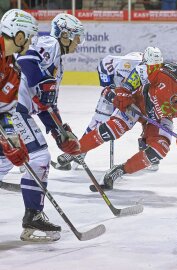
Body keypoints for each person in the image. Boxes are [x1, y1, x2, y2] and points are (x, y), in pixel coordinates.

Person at [76, 53, 177, 190]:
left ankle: (118, 171)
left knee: (160, 149)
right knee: (114, 128)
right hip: (137, 102)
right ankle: (75, 150)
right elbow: (141, 71)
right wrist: (125, 90)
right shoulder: (168, 71)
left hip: (161, 117)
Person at [10, 13, 84, 242]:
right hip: (14, 108)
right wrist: (43, 82)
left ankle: (33, 214)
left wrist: (59, 131)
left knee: (4, 163)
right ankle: (33, 214)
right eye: (76, 37)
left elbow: (47, 105)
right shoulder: (49, 43)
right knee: (40, 155)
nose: (78, 43)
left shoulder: (58, 62)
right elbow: (25, 61)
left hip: (16, 109)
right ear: (64, 35)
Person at [54, 47, 164, 171]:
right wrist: (110, 88)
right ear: (144, 62)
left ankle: (148, 152)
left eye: (157, 66)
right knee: (98, 121)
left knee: (151, 120)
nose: (154, 69)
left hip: (136, 97)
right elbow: (105, 65)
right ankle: (79, 151)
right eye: (151, 66)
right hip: (115, 92)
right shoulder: (128, 64)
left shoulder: (161, 73)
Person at [0, 10, 38, 185]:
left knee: (7, 151)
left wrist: (11, 136)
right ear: (20, 36)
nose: (30, 43)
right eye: (29, 38)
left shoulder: (12, 67)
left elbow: (5, 110)